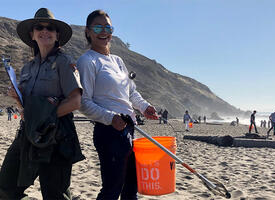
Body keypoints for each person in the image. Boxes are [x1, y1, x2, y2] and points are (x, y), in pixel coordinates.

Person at [0, 8, 85, 199]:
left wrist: (46, 117)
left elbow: (75, 101)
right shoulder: (28, 67)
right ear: (32, 34)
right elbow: (25, 109)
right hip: (28, 133)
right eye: (39, 27)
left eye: (50, 28)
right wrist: (17, 99)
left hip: (57, 135)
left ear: (57, 36)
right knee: (6, 187)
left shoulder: (65, 62)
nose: (44, 31)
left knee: (54, 193)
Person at [76, 10, 158, 200]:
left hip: (129, 129)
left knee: (131, 188)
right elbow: (83, 102)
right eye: (98, 27)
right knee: (112, 189)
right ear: (88, 31)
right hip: (108, 133)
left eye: (108, 27)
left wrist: (145, 107)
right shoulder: (87, 61)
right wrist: (110, 118)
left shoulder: (117, 61)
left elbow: (130, 92)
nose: (104, 31)